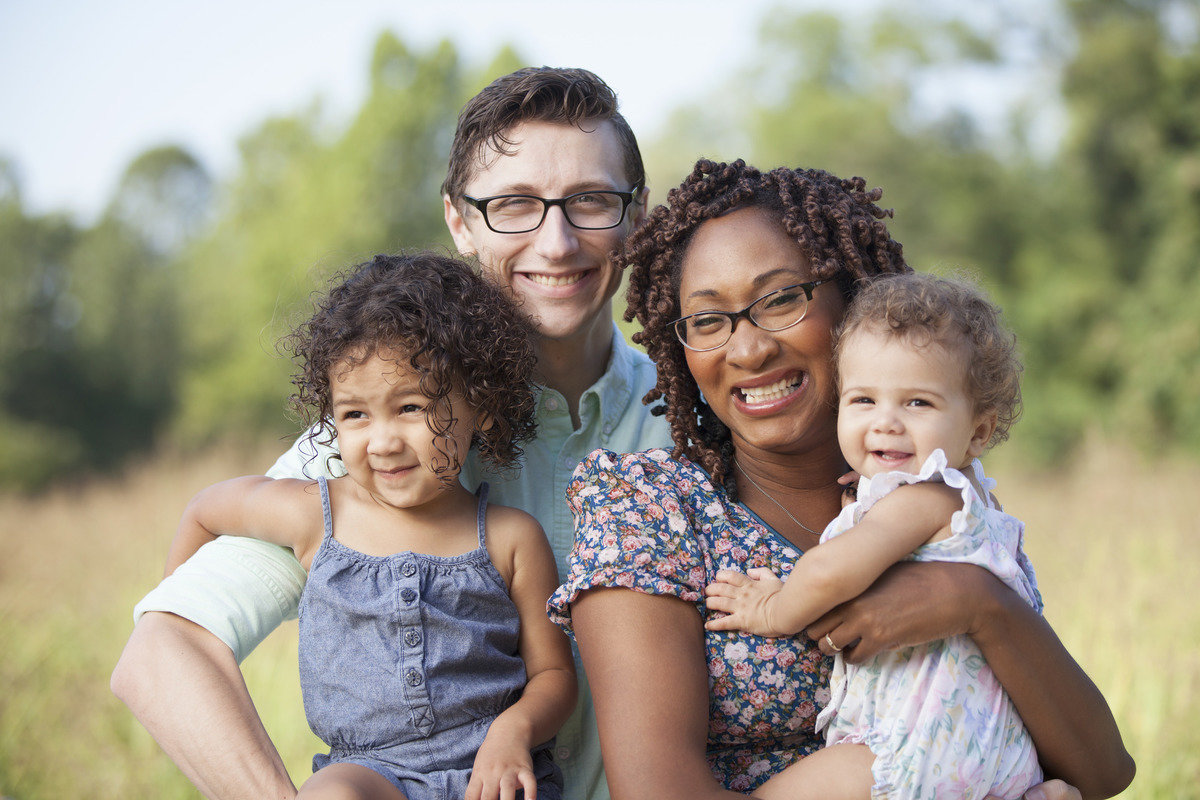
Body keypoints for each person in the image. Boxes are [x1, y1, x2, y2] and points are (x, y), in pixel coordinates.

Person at [111, 67, 668, 800]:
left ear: (637, 215)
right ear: (459, 222)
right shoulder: (373, 447)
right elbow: (162, 650)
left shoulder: (694, 417)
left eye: (590, 202)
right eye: (514, 206)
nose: (556, 241)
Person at [547, 159, 1134, 800]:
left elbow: (1100, 774)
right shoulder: (649, 506)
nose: (747, 350)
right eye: (709, 321)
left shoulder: (930, 494)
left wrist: (977, 603)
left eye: (779, 300)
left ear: (854, 303)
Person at [162, 252, 575, 800]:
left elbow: (555, 677)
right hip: (369, 771)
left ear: (483, 407)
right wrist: (173, 606)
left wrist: (513, 731)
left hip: (489, 768)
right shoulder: (313, 513)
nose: (382, 441)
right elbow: (203, 510)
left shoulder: (510, 537)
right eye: (355, 414)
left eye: (410, 407)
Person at [704, 272, 1042, 798]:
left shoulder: (928, 497)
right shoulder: (968, 502)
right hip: (987, 750)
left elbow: (833, 572)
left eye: (918, 404)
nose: (886, 423)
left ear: (978, 430)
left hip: (920, 748)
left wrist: (772, 607)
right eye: (863, 400)